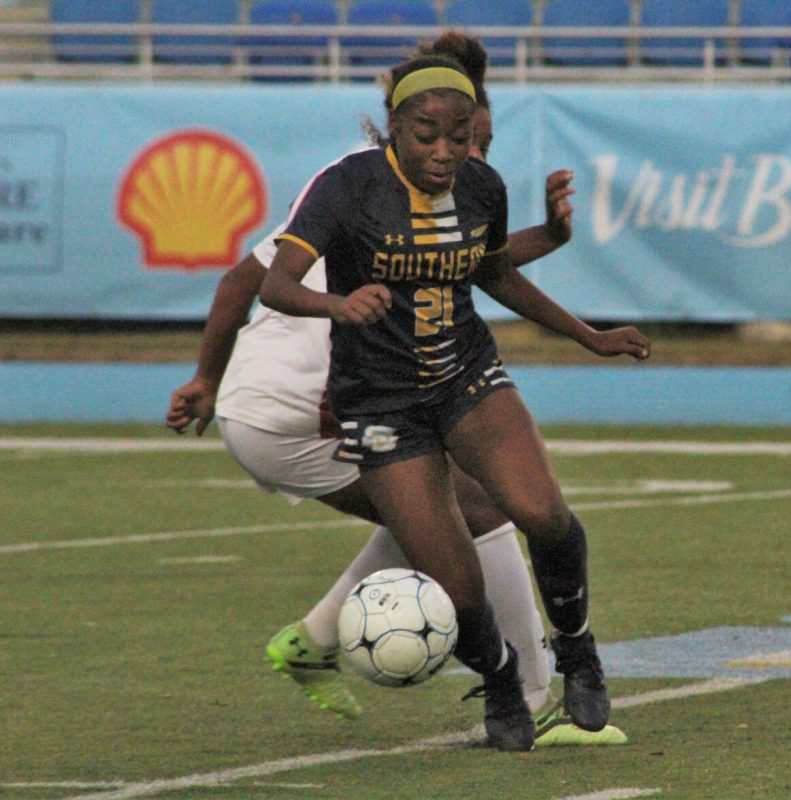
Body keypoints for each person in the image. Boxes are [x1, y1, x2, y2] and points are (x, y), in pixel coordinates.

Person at [167, 34, 639, 749]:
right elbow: (269, 282)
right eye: (435, 135)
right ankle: (505, 683)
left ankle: (573, 658)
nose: (454, 152)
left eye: (468, 136)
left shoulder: (480, 185)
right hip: (369, 400)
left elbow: (490, 268)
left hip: (463, 374)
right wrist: (333, 311)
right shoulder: (346, 186)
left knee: (539, 512)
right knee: (452, 573)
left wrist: (589, 332)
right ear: (395, 125)